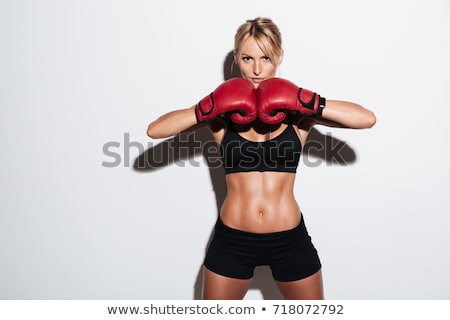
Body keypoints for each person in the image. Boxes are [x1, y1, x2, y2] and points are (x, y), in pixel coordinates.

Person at [147, 17, 376, 300]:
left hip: (289, 239)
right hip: (233, 239)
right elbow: (155, 130)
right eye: (247, 58)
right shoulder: (221, 115)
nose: (256, 69)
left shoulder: (297, 114)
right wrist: (207, 106)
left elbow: (366, 119)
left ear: (279, 56)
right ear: (236, 59)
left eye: (265, 58)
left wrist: (306, 100)